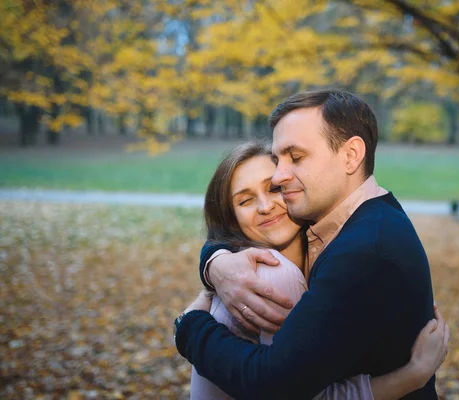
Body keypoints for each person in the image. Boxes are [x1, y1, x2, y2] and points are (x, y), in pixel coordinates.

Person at [175, 90, 444, 399]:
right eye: (278, 160)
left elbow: (274, 385)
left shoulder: (363, 252)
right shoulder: (348, 221)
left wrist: (189, 326)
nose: (279, 176)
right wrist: (215, 263)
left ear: (351, 155)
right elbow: (226, 232)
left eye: (296, 157)